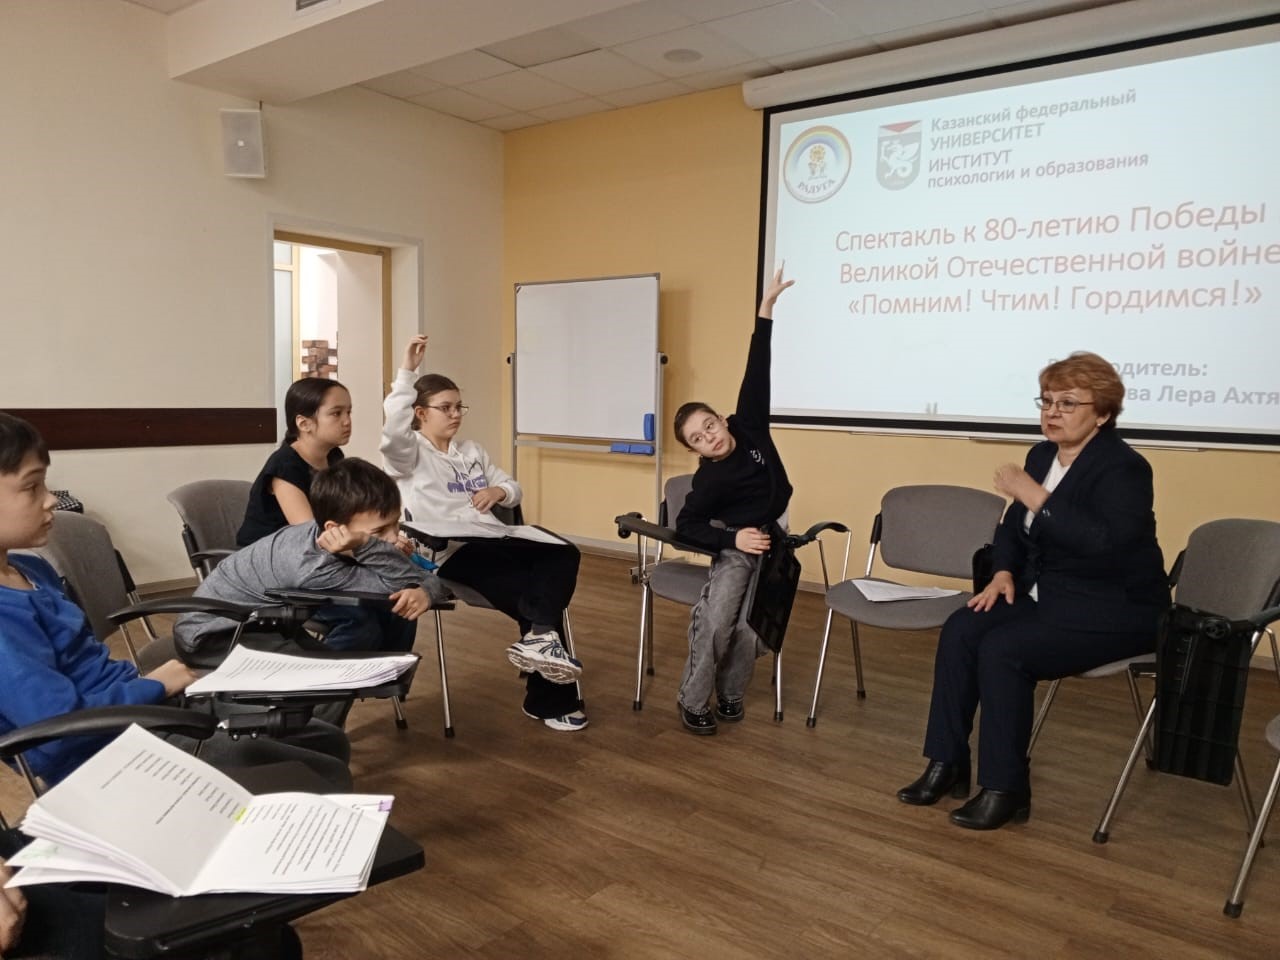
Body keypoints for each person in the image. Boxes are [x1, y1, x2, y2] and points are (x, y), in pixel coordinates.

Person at [0, 412, 353, 792]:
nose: (51, 499)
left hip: (139, 714)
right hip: (108, 753)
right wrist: (154, 686)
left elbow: (87, 667)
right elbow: (58, 730)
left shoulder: (32, 570)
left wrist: (154, 690)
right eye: (32, 487)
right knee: (318, 772)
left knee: (324, 739)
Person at [897, 352, 1170, 830]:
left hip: (1115, 608)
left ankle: (1005, 789)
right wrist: (1003, 572)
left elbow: (1103, 545)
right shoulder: (1042, 456)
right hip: (1049, 596)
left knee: (1005, 649)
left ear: (1102, 414)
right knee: (962, 628)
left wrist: (1035, 496)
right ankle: (947, 762)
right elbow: (1012, 529)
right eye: (1046, 401)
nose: (1052, 413)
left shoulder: (1125, 468)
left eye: (1068, 403)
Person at [380, 335, 586, 732]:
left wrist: (498, 492)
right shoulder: (408, 456)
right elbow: (392, 432)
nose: (455, 414)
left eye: (459, 406)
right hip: (451, 552)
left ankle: (540, 638)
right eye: (445, 408)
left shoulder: (472, 451)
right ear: (420, 413)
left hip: (495, 539)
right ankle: (548, 697)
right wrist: (406, 372)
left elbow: (513, 486)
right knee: (536, 594)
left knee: (564, 552)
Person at [670, 264, 795, 735]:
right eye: (698, 439)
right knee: (718, 621)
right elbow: (686, 526)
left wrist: (765, 311)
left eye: (710, 426)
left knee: (752, 628)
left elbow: (757, 370)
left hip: (775, 541)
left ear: (722, 419)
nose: (710, 437)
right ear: (695, 451)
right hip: (737, 547)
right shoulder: (709, 482)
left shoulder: (750, 426)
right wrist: (733, 540)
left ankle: (731, 692)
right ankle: (692, 699)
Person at [176, 457, 445, 663]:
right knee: (346, 653)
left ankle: (376, 678)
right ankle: (319, 715)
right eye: (378, 531)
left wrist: (426, 590)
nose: (393, 537)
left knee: (392, 613)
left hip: (264, 625)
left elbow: (426, 579)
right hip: (215, 636)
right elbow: (401, 582)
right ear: (334, 528)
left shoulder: (331, 534)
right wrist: (369, 546)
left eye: (396, 523)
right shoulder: (313, 566)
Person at [236, 377, 351, 547]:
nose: (347, 421)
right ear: (304, 424)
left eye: (348, 412)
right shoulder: (284, 466)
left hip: (306, 553)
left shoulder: (334, 457)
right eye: (336, 413)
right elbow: (310, 536)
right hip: (266, 556)